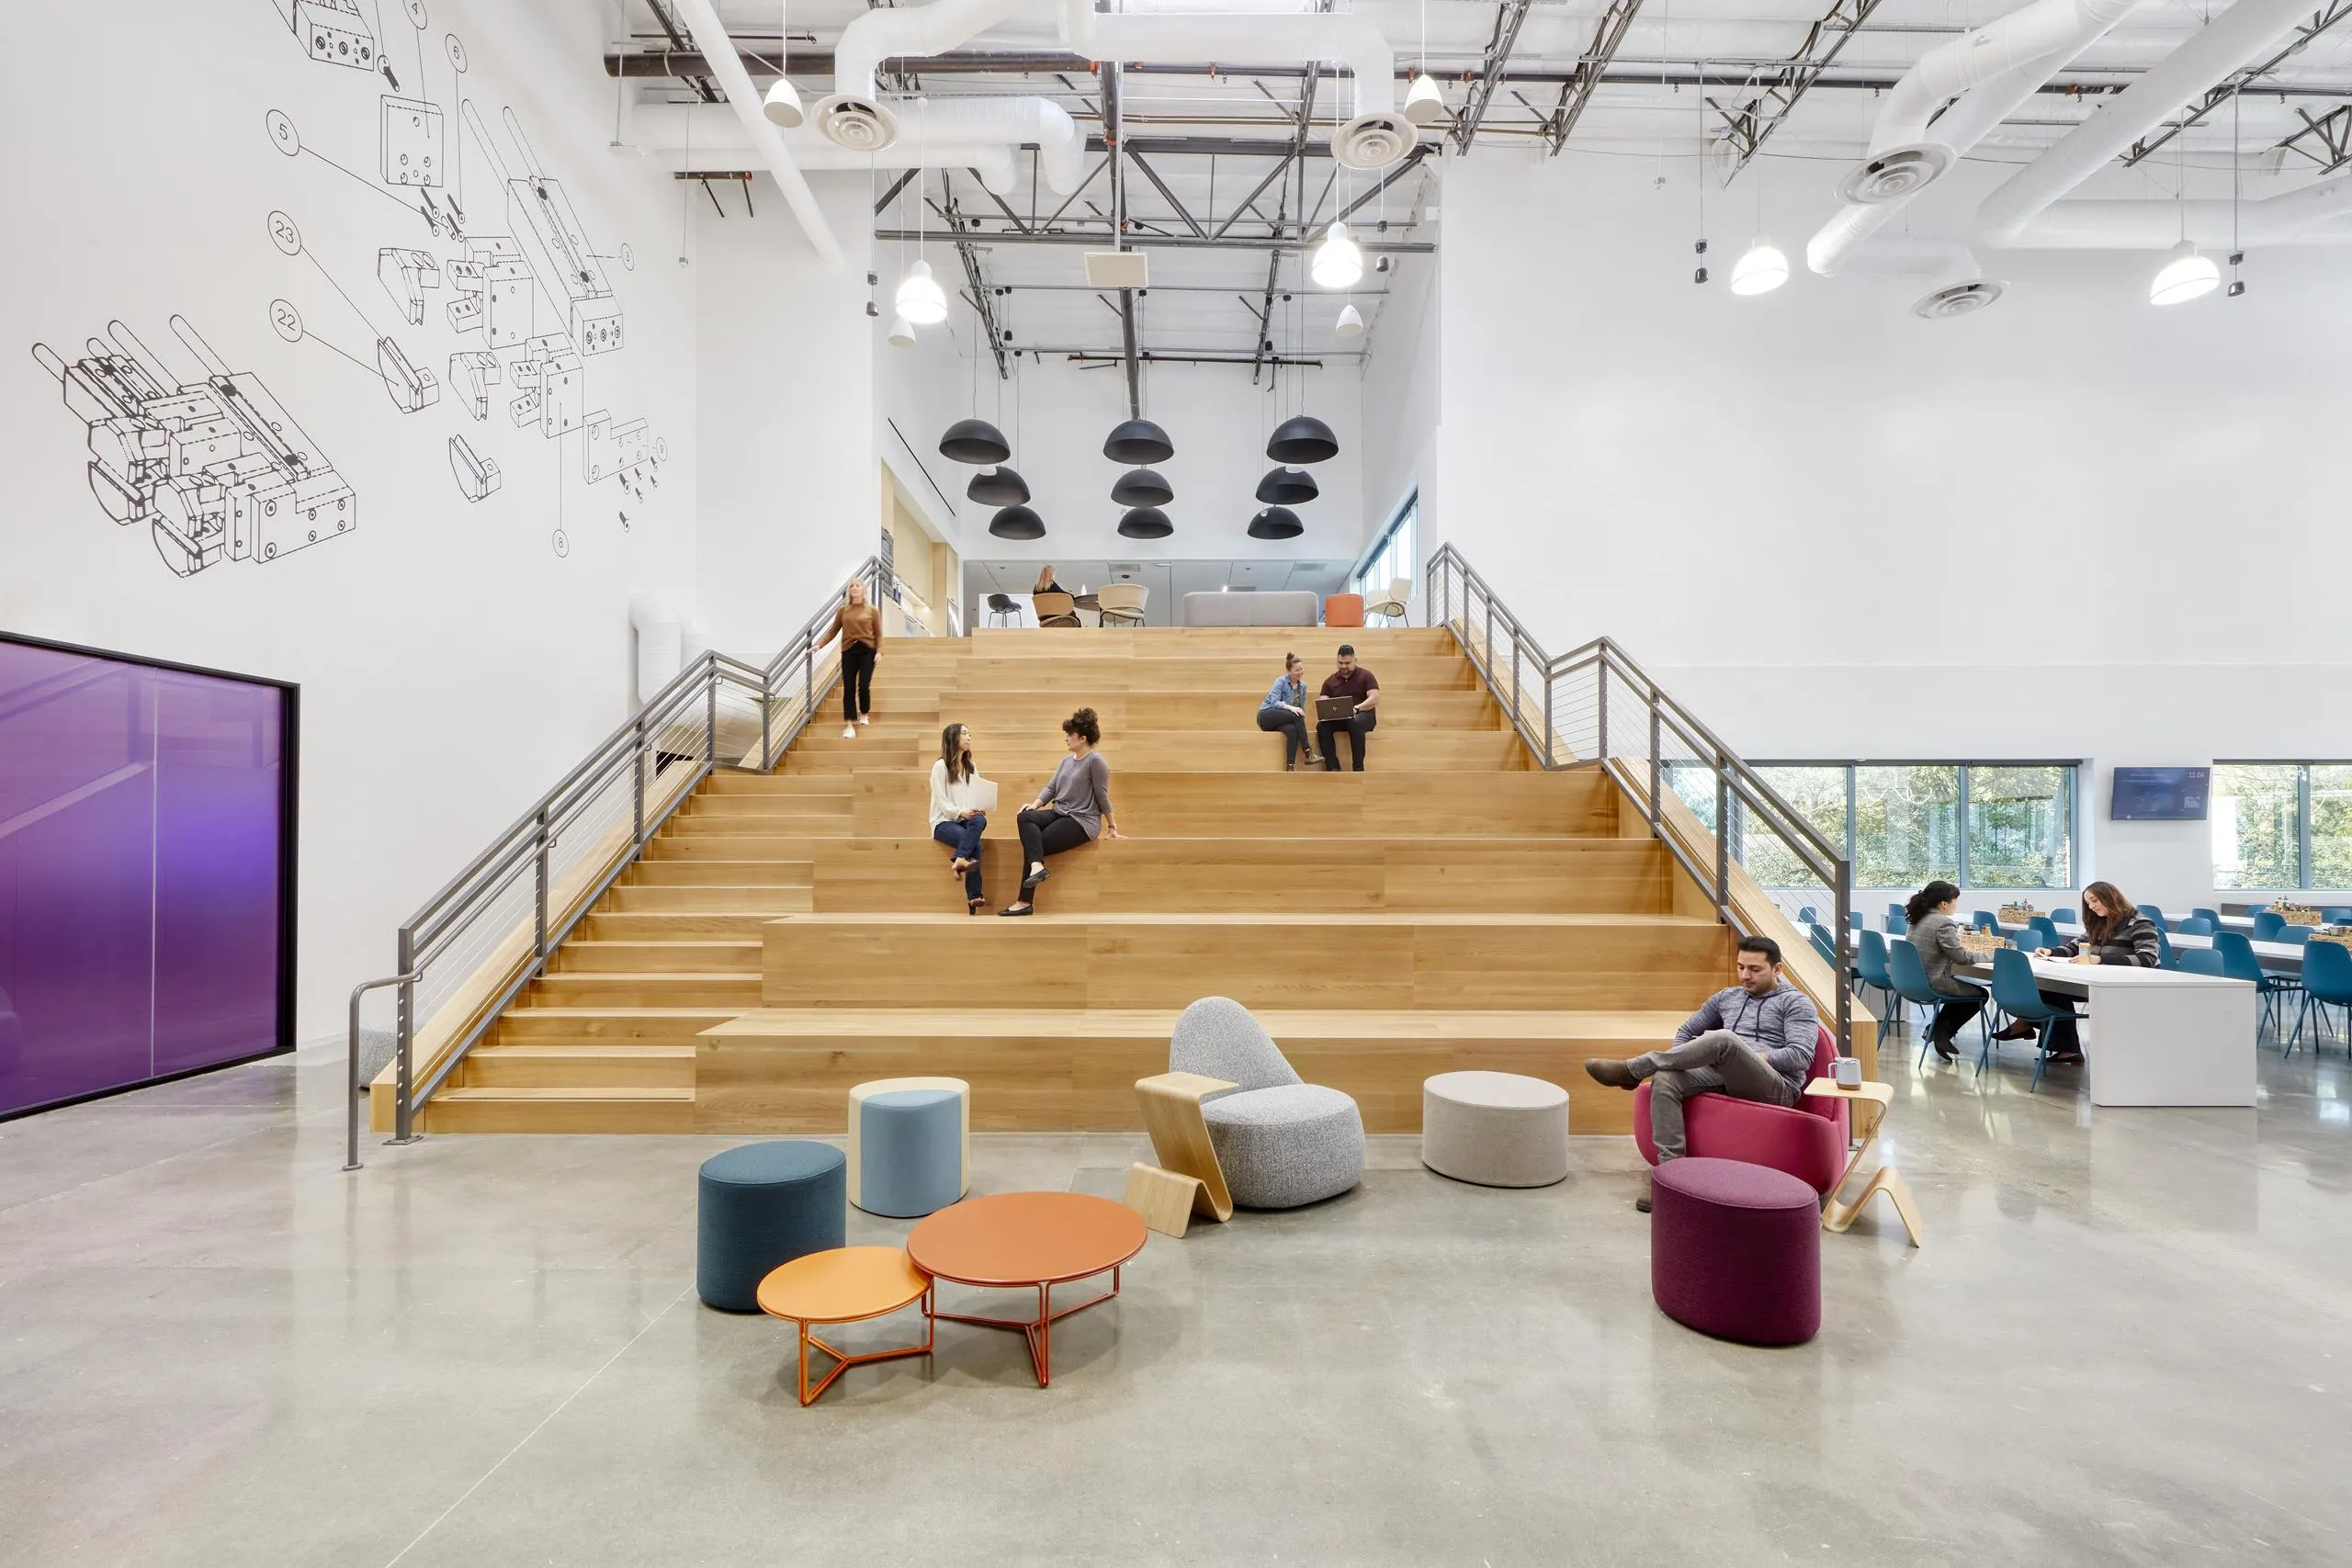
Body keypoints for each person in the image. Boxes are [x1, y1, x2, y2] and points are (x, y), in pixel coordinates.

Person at [1583, 936, 1821, 1211]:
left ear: (1777, 969)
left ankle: (1633, 1070)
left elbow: (1801, 1055)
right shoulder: (1727, 997)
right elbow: (1686, 1030)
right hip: (1724, 1076)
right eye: (1741, 967)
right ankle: (1671, 1176)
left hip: (1776, 1087)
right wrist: (1678, 1061)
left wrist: (1751, 1058)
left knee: (1724, 1039)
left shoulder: (1796, 1003)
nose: (1745, 975)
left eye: (1755, 969)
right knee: (1666, 1078)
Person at [1000, 707, 1122, 917]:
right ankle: (1037, 867)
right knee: (1025, 817)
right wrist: (1035, 804)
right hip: (1060, 812)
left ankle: (1024, 901)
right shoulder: (1066, 761)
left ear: (1083, 738)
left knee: (1035, 844)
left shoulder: (1096, 761)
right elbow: (1051, 788)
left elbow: (1102, 796)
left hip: (1082, 820)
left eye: (1070, 734)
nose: (1066, 738)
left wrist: (1112, 826)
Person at [2024, 880, 2159, 1064]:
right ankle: (2067, 1049)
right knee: (2047, 988)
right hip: (2092, 982)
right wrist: (2049, 951)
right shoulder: (2099, 923)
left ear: (2110, 897)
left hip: (2122, 986)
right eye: (2088, 903)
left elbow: (2147, 959)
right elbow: (2073, 948)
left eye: (2094, 901)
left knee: (2051, 991)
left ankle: (2028, 1027)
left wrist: (2100, 959)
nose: (2092, 906)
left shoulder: (2141, 923)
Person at [1905, 878, 1989, 1064]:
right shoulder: (1944, 923)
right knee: (1981, 994)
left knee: (1966, 991)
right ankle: (1940, 1032)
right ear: (1944, 904)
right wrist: (1991, 955)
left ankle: (1937, 1030)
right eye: (1955, 900)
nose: (1956, 904)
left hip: (1912, 982)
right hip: (1933, 982)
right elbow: (1962, 958)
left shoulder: (1917, 919)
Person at [930, 723, 991, 914]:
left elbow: (977, 795)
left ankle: (959, 859)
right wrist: (961, 813)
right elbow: (942, 803)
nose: (969, 737)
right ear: (952, 738)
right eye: (964, 734)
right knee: (978, 845)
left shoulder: (971, 766)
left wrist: (980, 808)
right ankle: (974, 896)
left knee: (980, 820)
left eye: (969, 734)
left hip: (966, 819)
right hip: (944, 821)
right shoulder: (940, 767)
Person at [817, 579, 881, 739]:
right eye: (851, 586)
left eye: (857, 585)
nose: (854, 588)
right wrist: (819, 645)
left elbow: (879, 634)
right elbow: (833, 631)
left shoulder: (872, 610)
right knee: (849, 688)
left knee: (863, 686)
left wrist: (880, 651)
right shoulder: (843, 610)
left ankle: (864, 713)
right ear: (849, 591)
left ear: (863, 589)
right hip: (848, 651)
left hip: (867, 651)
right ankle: (849, 726)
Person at [1317, 644, 1380, 772]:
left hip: (1363, 715)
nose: (1343, 666)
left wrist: (1357, 708)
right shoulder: (1330, 681)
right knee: (1322, 726)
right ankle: (1333, 767)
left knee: (1355, 723)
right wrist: (1327, 710)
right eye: (1340, 662)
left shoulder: (1366, 675)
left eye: (1347, 663)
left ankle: (1358, 768)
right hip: (1341, 717)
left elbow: (1374, 698)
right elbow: (1323, 701)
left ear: (1355, 660)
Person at [1256, 652, 1322, 771]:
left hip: (1283, 719)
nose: (1300, 672)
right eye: (1297, 670)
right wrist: (1291, 708)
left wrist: (1298, 714)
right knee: (1296, 714)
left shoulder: (1303, 686)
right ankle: (1308, 753)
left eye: (1301, 669)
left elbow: (1300, 707)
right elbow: (1274, 703)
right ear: (1289, 671)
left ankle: (1290, 766)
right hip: (1266, 716)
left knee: (1292, 730)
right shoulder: (1280, 681)